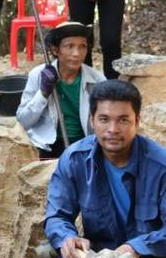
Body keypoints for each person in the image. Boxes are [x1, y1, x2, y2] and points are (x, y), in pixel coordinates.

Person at [36, 80, 166, 258]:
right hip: (98, 257)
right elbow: (57, 215)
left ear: (137, 121)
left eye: (123, 120)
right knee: (48, 252)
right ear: (92, 121)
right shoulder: (75, 159)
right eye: (104, 119)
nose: (113, 130)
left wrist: (135, 248)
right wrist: (68, 239)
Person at [16, 22, 106, 159]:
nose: (77, 53)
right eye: (69, 46)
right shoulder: (38, 75)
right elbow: (23, 121)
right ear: (55, 50)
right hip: (47, 146)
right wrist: (43, 93)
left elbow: (105, 120)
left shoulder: (97, 80)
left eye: (82, 46)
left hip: (85, 145)